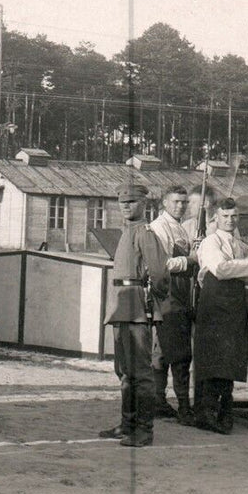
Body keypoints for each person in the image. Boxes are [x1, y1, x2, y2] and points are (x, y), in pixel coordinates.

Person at [99, 182, 170, 447]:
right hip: (121, 307)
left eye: (132, 202)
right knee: (124, 371)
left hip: (138, 308)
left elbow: (161, 274)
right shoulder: (125, 233)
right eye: (122, 202)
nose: (127, 206)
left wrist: (155, 299)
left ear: (144, 205)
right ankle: (127, 424)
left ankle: (144, 430)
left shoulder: (145, 233)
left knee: (140, 372)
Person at [192, 198, 248, 434]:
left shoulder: (240, 244)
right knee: (214, 357)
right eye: (225, 216)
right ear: (216, 218)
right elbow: (221, 269)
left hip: (235, 306)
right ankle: (207, 412)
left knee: (230, 358)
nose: (230, 220)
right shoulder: (209, 242)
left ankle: (224, 410)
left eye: (234, 216)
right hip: (214, 306)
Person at [147, 185, 198, 424]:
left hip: (180, 293)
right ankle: (184, 408)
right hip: (168, 293)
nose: (181, 206)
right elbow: (163, 264)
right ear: (165, 203)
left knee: (162, 350)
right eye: (176, 202)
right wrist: (190, 259)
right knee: (178, 352)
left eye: (184, 202)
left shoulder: (178, 227)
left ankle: (158, 401)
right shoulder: (159, 227)